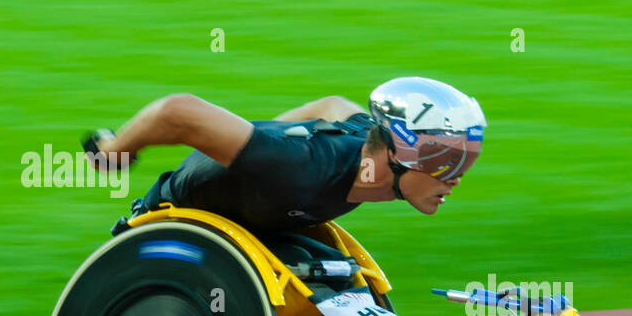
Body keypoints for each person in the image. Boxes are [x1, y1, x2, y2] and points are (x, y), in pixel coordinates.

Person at [86, 76, 486, 233]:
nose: (455, 178)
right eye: (443, 163)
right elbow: (178, 111)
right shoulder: (299, 168)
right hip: (175, 221)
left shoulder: (368, 141)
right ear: (396, 155)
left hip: (262, 219)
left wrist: (263, 136)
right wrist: (114, 152)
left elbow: (332, 104)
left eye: (462, 161)